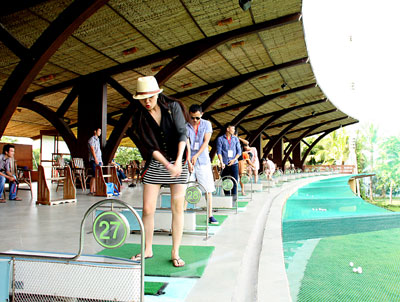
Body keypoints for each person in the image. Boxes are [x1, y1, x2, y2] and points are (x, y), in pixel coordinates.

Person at [130, 76, 188, 268]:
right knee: (147, 209)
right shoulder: (139, 115)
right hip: (156, 163)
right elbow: (149, 146)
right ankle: (147, 249)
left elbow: (182, 133)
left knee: (177, 208)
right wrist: (167, 164)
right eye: (142, 98)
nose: (147, 101)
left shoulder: (173, 107)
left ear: (157, 94)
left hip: (178, 160)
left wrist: (178, 162)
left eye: (150, 97)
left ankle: (175, 252)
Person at [186, 104, 218, 224]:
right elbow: (187, 143)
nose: (194, 120)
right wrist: (189, 160)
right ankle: (182, 214)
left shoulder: (207, 124)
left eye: (197, 118)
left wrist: (196, 155)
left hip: (203, 160)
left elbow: (206, 142)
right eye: (192, 117)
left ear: (202, 115)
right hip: (190, 161)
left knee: (208, 189)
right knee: (186, 188)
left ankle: (210, 215)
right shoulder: (186, 126)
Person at [216, 124, 241, 202]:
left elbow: (239, 151)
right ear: (228, 129)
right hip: (225, 164)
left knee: (234, 181)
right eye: (232, 129)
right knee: (225, 181)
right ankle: (227, 198)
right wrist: (221, 162)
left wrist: (234, 160)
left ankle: (234, 199)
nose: (234, 130)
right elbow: (219, 152)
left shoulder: (236, 139)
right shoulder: (220, 139)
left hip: (234, 163)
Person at [88, 128, 103, 195]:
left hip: (99, 159)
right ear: (95, 131)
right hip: (93, 160)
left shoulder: (98, 140)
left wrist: (100, 160)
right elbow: (92, 150)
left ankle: (95, 189)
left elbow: (99, 150)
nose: (100, 132)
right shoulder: (92, 139)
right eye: (99, 131)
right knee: (94, 175)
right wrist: (96, 159)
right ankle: (91, 190)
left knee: (97, 175)